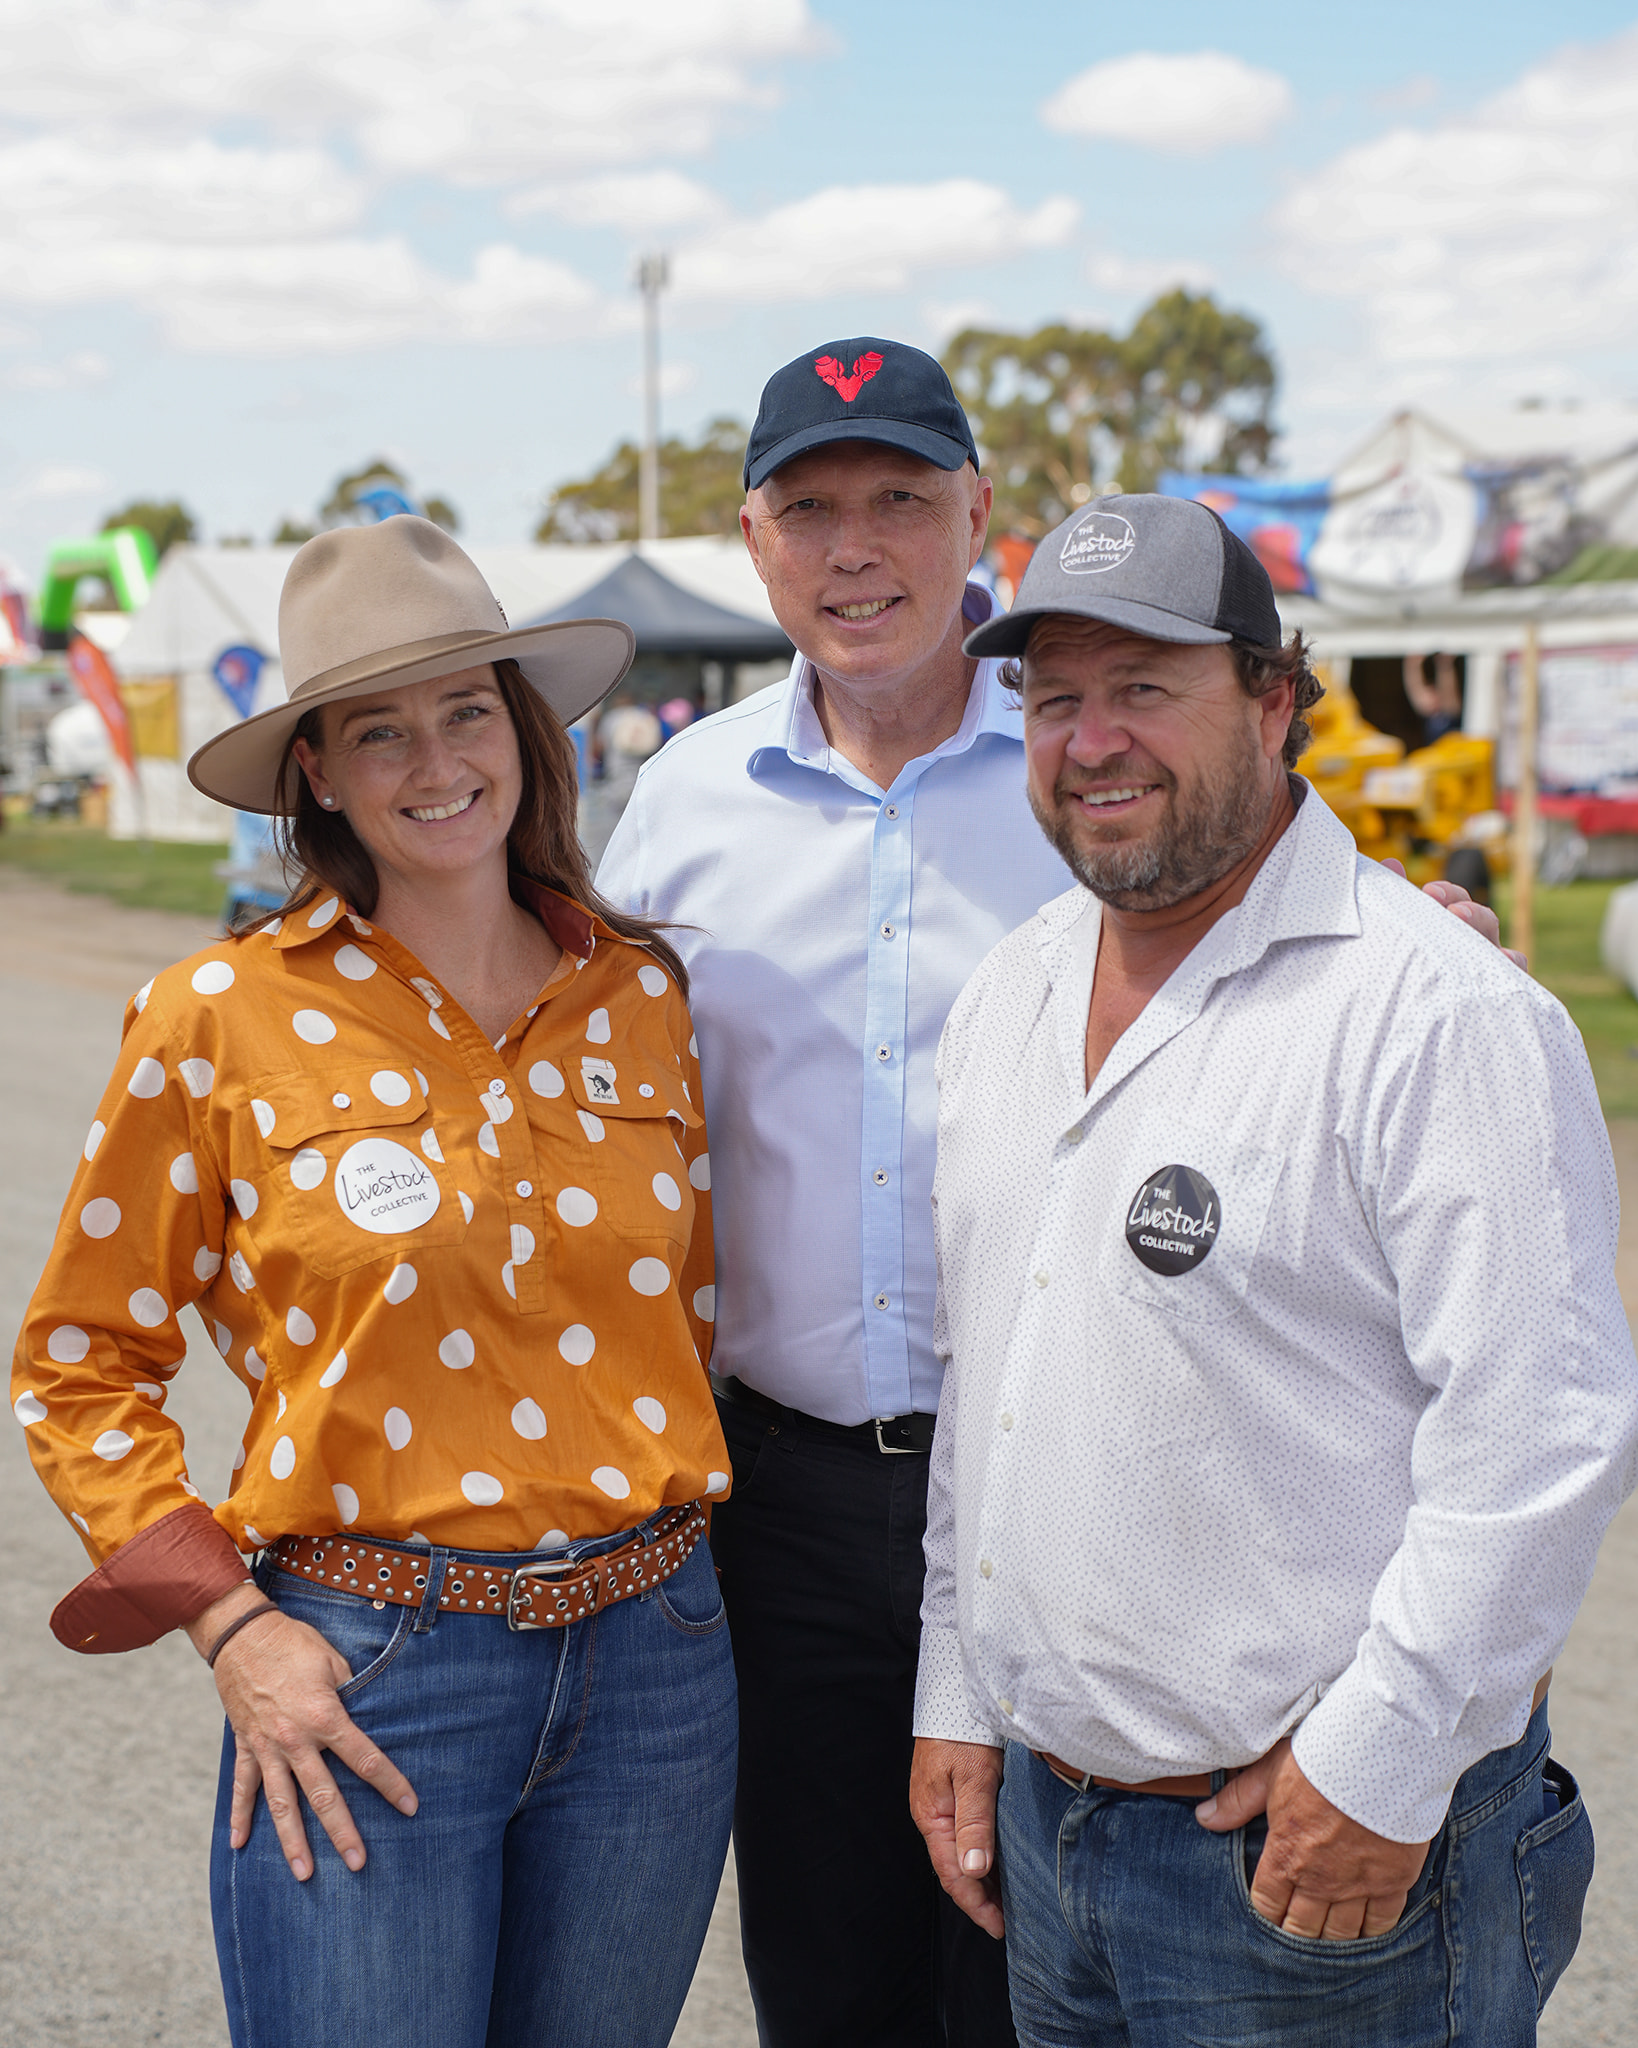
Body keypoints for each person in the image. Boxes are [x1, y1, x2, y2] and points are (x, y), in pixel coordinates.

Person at [597, 341, 1515, 2047]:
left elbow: (1271, 887)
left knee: (1046, 1973)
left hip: (1076, 1481)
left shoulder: (1080, 763)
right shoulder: (680, 805)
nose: (853, 547)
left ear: (977, 517)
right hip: (786, 1503)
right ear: (750, 539)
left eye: (896, 500)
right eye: (809, 510)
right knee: (830, 1975)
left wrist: (1418, 940)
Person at [910, 494, 1638, 2046]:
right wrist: (962, 1697)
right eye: (1052, 701)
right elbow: (994, 1378)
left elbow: (1542, 1443)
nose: (1091, 739)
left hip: (1312, 1868)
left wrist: (1374, 1770)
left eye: (1142, 689)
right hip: (1053, 1838)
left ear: (1272, 700)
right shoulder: (1012, 990)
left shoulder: (1434, 1014)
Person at [13, 516, 736, 2048]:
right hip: (372, 1670)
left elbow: (690, 1316)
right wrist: (227, 1624)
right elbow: (78, 1362)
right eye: (378, 729)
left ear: (524, 733)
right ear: (318, 774)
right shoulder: (219, 1012)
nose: (436, 760)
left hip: (656, 1674)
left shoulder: (639, 993)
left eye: (467, 709)